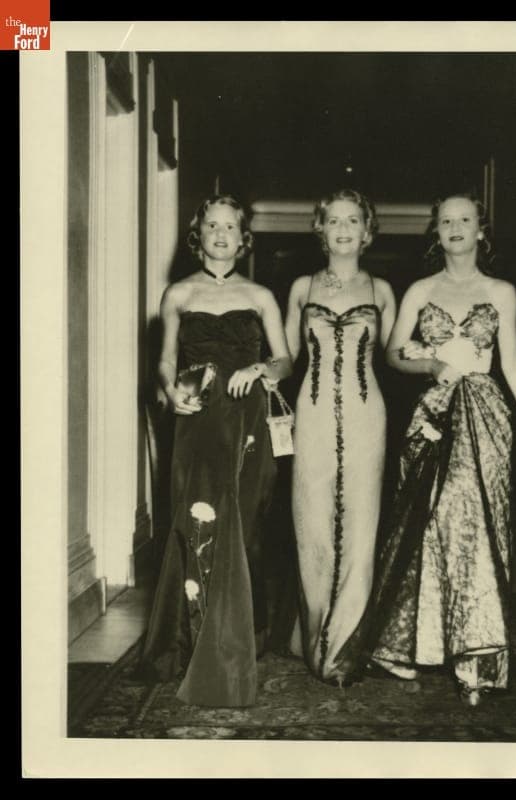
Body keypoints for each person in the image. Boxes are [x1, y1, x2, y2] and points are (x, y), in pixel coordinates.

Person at [337, 192, 516, 706]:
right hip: (432, 415)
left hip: (486, 414)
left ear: (481, 230)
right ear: (437, 230)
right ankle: (408, 642)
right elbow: (391, 353)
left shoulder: (501, 291)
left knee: (478, 524)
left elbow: (514, 363)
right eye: (446, 220)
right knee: (428, 522)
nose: (456, 227)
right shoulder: (420, 290)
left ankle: (477, 657)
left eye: (465, 219)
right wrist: (430, 364)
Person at [140, 193, 292, 707]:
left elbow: (287, 360)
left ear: (243, 237)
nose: (221, 234)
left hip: (248, 425)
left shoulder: (262, 295)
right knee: (192, 524)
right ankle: (184, 642)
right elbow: (163, 363)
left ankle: (242, 640)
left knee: (244, 527)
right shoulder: (178, 293)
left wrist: (261, 369)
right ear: (198, 233)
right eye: (212, 226)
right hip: (197, 423)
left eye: (231, 227)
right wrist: (171, 392)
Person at [283, 188, 396, 685]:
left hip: (368, 412)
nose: (344, 228)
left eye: (354, 220)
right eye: (334, 220)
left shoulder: (383, 289)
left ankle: (345, 644)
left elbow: (397, 354)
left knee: (361, 523)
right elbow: (286, 357)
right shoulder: (301, 287)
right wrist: (260, 366)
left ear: (366, 231)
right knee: (311, 520)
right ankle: (314, 633)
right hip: (309, 415)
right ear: (321, 228)